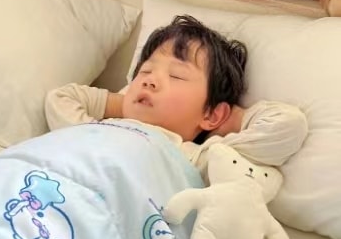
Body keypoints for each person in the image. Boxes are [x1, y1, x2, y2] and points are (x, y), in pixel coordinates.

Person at [45, 15, 307, 168]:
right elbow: (60, 98)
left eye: (176, 75)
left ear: (212, 115)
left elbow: (287, 125)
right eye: (146, 71)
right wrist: (125, 106)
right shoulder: (94, 130)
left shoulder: (195, 158)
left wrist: (219, 116)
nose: (150, 81)